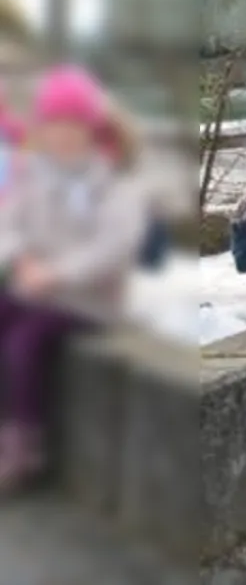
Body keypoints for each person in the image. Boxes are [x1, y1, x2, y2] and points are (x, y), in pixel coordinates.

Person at [0, 67, 147, 493]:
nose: (63, 135)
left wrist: (56, 274)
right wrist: (22, 260)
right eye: (54, 126)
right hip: (35, 288)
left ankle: (26, 440)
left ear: (91, 130)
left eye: (73, 126)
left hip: (87, 300)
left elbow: (112, 247)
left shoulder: (112, 182)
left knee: (24, 341)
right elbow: (9, 224)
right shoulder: (33, 175)